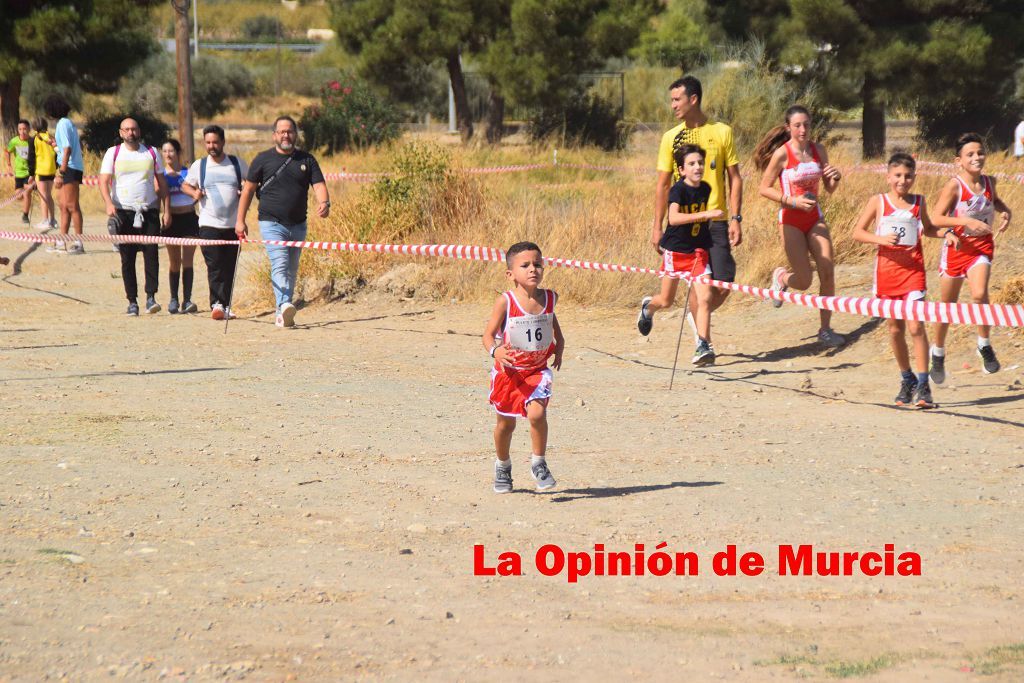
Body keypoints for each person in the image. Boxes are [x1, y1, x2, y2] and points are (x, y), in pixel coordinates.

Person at [851, 153, 960, 409]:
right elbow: (857, 232)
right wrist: (881, 239)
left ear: (914, 177)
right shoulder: (878, 202)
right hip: (886, 275)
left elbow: (929, 228)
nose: (903, 180)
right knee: (895, 329)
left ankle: (923, 384)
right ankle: (906, 378)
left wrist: (947, 234)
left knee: (915, 327)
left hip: (913, 274)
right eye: (898, 175)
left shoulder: (918, 202)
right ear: (888, 177)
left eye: (908, 176)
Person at [654, 75, 742, 346]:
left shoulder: (722, 131)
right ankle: (704, 341)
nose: (673, 106)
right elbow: (662, 185)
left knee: (724, 281)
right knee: (696, 284)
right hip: (684, 224)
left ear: (693, 99)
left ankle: (697, 314)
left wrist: (736, 218)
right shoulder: (671, 137)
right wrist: (657, 226)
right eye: (671, 100)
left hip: (716, 221)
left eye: (677, 99)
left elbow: (735, 178)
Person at [754, 105, 845, 347]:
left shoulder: (819, 150)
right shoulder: (783, 154)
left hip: (815, 218)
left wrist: (835, 177)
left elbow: (829, 188)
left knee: (827, 270)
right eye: (797, 125)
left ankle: (825, 330)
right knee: (804, 281)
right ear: (789, 128)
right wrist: (791, 200)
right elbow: (764, 188)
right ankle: (782, 278)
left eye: (806, 124)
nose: (803, 129)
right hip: (791, 220)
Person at [482, 241, 565, 494]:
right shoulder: (505, 302)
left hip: (536, 371)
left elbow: (551, 323)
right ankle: (502, 466)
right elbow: (487, 335)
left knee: (537, 415)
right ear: (511, 274)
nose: (533, 269)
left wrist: (560, 345)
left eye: (538, 264)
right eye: (525, 265)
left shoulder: (550, 297)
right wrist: (496, 350)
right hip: (510, 374)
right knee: (505, 425)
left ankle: (538, 464)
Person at [929, 132, 1012, 380]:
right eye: (970, 154)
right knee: (947, 306)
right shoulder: (954, 185)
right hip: (956, 250)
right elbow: (935, 218)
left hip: (981, 248)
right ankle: (939, 352)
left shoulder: (989, 181)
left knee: (979, 294)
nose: (977, 157)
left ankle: (984, 345)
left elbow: (995, 201)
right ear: (959, 161)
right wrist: (965, 221)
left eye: (980, 152)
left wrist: (1005, 211)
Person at [235, 115, 329, 328]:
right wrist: (240, 220)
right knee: (280, 264)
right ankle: (284, 303)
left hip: (298, 224)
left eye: (290, 131)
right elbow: (248, 190)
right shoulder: (262, 159)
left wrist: (325, 203)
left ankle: (282, 313)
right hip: (271, 223)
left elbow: (319, 185)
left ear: (295, 134)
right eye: (282, 131)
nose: (286, 135)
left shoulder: (307, 160)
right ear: (274, 135)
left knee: (292, 268)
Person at [637, 144, 721, 366]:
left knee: (705, 298)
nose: (698, 167)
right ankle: (648, 308)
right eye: (692, 164)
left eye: (700, 163)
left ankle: (703, 345)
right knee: (666, 301)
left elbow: (703, 221)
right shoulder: (678, 190)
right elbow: (673, 219)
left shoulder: (705, 188)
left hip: (698, 254)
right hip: (676, 253)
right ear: (682, 170)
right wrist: (706, 214)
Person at [99, 117, 171, 316]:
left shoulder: (151, 153)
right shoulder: (113, 154)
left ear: (139, 131)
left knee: (151, 254)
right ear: (121, 133)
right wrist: (108, 203)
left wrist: (167, 210)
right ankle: (132, 300)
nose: (131, 133)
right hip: (123, 211)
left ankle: (151, 297)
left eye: (134, 129)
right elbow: (103, 181)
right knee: (127, 257)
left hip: (149, 211)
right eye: (127, 130)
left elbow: (162, 183)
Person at [183, 125, 248, 321]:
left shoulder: (237, 164)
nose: (212, 146)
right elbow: (185, 184)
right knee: (215, 264)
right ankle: (216, 304)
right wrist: (194, 192)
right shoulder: (199, 165)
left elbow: (252, 183)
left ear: (223, 142)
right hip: (208, 223)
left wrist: (244, 189)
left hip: (233, 224)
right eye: (208, 142)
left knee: (230, 265)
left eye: (215, 142)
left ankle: (226, 304)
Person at [160, 139, 199, 315]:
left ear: (178, 153)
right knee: (174, 261)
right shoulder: (161, 174)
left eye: (171, 151)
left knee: (188, 260)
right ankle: (173, 299)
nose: (168, 155)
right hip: (171, 220)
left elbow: (198, 191)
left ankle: (187, 299)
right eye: (165, 151)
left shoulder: (188, 172)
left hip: (189, 218)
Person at [44, 95, 85, 254]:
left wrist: (61, 172)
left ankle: (79, 242)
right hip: (68, 166)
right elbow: (65, 148)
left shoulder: (62, 124)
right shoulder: (66, 123)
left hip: (70, 168)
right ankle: (62, 241)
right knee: (63, 206)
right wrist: (55, 144)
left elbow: (67, 149)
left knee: (72, 206)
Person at [26, 117, 58, 230]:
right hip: (52, 170)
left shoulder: (33, 139)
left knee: (43, 196)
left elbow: (31, 158)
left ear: (34, 127)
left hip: (41, 170)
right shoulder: (51, 137)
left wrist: (31, 174)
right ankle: (53, 219)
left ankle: (45, 220)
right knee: (48, 195)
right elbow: (57, 154)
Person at [6, 119, 33, 224]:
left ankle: (25, 216)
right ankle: (25, 203)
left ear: (29, 129)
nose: (22, 131)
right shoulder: (14, 141)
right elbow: (7, 151)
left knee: (27, 193)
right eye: (20, 129)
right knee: (19, 196)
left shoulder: (32, 141)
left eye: (25, 129)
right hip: (18, 173)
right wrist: (9, 165)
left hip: (29, 173)